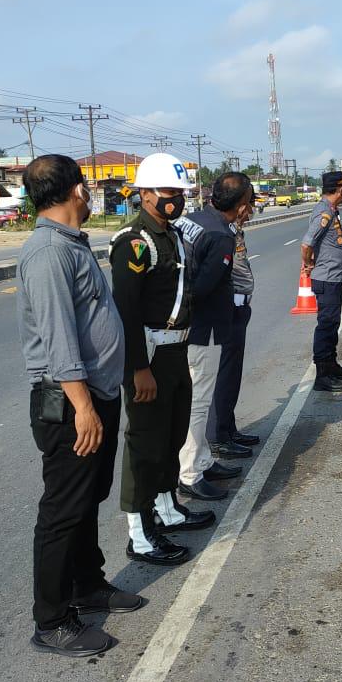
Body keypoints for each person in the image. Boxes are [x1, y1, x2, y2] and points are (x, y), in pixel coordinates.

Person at [16, 155, 141, 658]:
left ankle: (87, 585)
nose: (89, 196)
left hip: (94, 395)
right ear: (77, 191)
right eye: (86, 189)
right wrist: (83, 407)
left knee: (88, 497)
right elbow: (59, 339)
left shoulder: (71, 245)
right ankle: (52, 620)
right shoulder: (48, 253)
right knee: (63, 510)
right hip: (70, 402)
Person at [111, 152, 214, 568]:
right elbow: (126, 311)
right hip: (149, 354)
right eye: (170, 192)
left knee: (172, 434)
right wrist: (138, 368)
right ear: (145, 194)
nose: (178, 200)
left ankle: (167, 508)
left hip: (176, 349)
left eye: (181, 193)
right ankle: (139, 532)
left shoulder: (171, 236)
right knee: (144, 442)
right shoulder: (133, 242)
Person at [174, 172, 250, 509]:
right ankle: (190, 473)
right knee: (198, 402)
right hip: (202, 330)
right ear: (243, 204)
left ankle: (203, 460)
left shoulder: (193, 220)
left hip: (187, 327)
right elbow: (201, 288)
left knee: (197, 399)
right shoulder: (222, 236)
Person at [208, 189, 262, 455]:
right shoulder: (219, 232)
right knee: (224, 376)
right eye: (250, 206)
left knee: (233, 374)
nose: (252, 212)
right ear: (241, 207)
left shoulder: (233, 229)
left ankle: (228, 428)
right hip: (227, 310)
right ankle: (217, 437)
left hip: (239, 309)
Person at [301, 171, 342, 392]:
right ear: (340, 189)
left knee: (332, 324)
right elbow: (306, 244)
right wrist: (307, 264)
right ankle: (322, 375)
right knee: (326, 325)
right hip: (326, 278)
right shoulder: (323, 212)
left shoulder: (330, 210)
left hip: (332, 277)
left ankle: (331, 365)